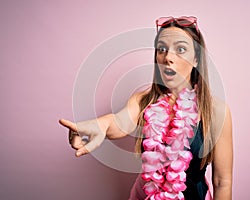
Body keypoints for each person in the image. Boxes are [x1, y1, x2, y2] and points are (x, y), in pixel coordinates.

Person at [59, 16, 233, 200]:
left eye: (180, 49)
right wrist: (99, 125)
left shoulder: (216, 111)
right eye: (162, 49)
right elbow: (119, 123)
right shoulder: (143, 100)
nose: (168, 58)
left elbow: (223, 182)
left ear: (197, 59)